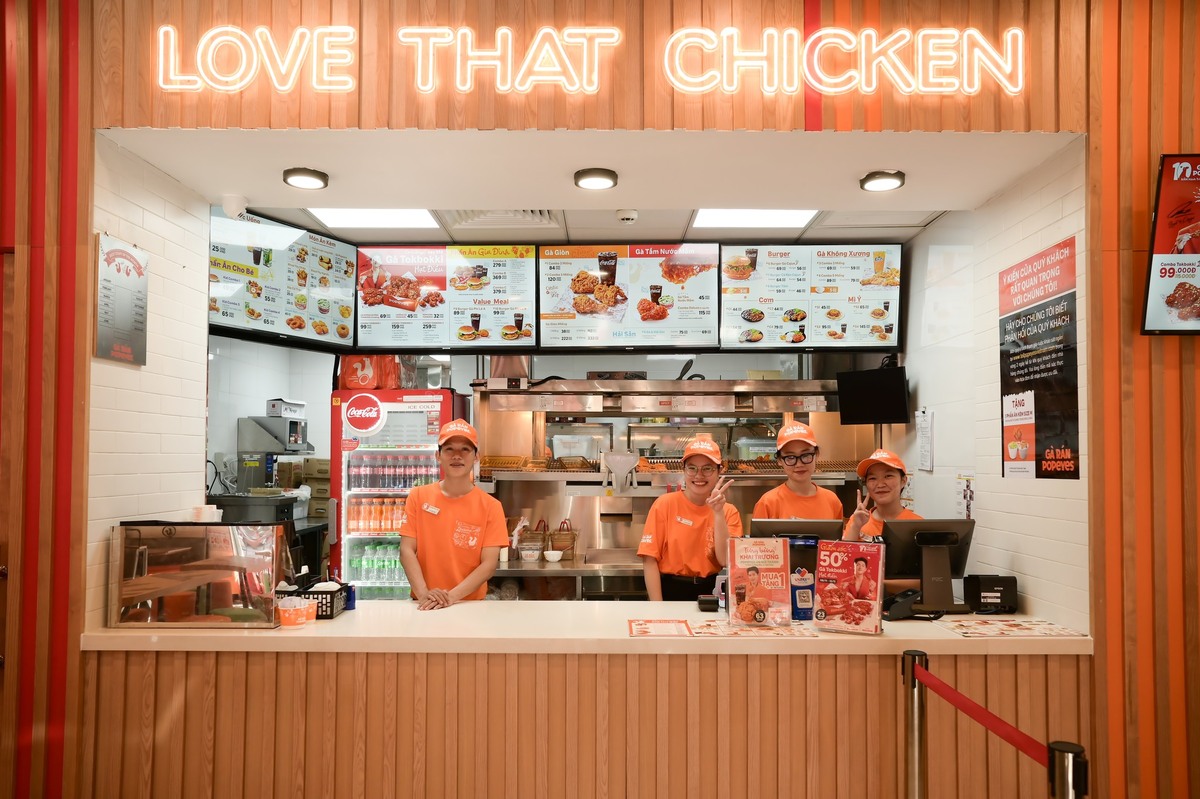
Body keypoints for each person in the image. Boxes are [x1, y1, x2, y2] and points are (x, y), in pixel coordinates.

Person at [399, 419, 508, 610]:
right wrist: (423, 594)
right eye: (449, 449)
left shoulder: (491, 506)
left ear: (476, 457)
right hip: (424, 604)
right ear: (438, 456)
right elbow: (406, 550)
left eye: (465, 449)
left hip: (468, 605)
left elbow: (489, 564)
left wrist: (450, 597)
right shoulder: (418, 496)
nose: (457, 456)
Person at [638, 438, 743, 601]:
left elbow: (725, 560)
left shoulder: (729, 512)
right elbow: (649, 559)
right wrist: (657, 607)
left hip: (711, 593)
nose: (699, 475)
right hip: (670, 592)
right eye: (692, 468)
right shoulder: (664, 504)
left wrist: (718, 513)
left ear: (719, 471)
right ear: (684, 470)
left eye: (707, 468)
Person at [843, 448, 922, 593]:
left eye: (888, 476)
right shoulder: (857, 521)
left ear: (903, 481)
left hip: (908, 602)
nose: (880, 484)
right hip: (861, 601)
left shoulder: (918, 525)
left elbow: (928, 581)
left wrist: (877, 583)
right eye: (872, 478)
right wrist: (855, 526)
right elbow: (842, 569)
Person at [752, 421, 845, 521]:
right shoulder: (767, 503)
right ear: (779, 460)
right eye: (790, 457)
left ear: (816, 455)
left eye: (805, 455)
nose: (799, 464)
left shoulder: (832, 501)